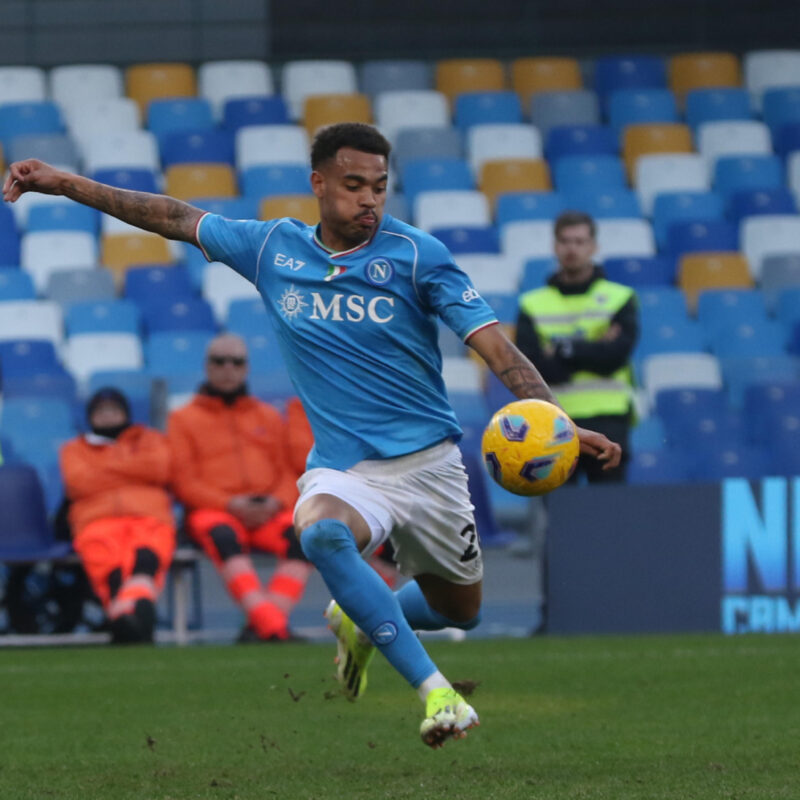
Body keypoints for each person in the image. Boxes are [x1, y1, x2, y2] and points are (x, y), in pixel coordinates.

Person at [3, 124, 620, 748]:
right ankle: (438, 694)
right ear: (318, 184)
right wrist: (64, 184)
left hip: (430, 466)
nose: (369, 201)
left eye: (379, 187)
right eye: (354, 186)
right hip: (346, 471)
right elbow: (171, 215)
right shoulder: (274, 250)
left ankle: (355, 619)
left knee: (463, 611)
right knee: (321, 533)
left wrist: (558, 421)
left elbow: (495, 347)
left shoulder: (418, 256)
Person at [167, 333, 314, 642]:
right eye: (220, 361)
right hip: (215, 513)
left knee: (305, 535)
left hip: (269, 512)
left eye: (236, 362)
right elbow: (183, 481)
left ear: (246, 368)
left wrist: (276, 502)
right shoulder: (182, 419)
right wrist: (230, 504)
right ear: (207, 366)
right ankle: (273, 626)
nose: (228, 369)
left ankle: (261, 625)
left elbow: (287, 472)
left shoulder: (268, 416)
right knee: (223, 536)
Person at [516, 211, 638, 483]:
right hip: (553, 418)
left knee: (610, 514)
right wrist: (593, 347)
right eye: (565, 241)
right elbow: (532, 366)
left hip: (609, 418)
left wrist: (560, 350)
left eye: (580, 242)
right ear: (554, 246)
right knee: (560, 516)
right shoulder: (532, 303)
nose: (572, 249)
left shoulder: (620, 298)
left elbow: (615, 357)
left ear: (594, 247)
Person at [59, 388, 175, 643]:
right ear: (90, 417)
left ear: (126, 413)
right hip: (95, 520)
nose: (108, 416)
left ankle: (122, 616)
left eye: (114, 410)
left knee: (146, 557)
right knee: (110, 567)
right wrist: (133, 470)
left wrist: (103, 468)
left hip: (149, 516)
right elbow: (78, 482)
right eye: (101, 411)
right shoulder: (73, 448)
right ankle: (137, 611)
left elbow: (160, 468)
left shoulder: (150, 439)